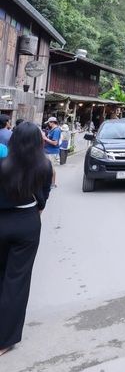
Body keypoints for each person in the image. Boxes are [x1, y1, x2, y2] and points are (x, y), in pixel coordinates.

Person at [0, 122, 53, 356]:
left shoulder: (3, 164)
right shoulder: (44, 165)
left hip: (2, 220)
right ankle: (4, 340)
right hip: (27, 221)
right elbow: (43, 199)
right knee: (17, 280)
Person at [42, 117, 61, 186]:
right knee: (48, 167)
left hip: (52, 152)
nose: (48, 124)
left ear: (52, 122)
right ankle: (49, 182)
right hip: (48, 151)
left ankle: (52, 184)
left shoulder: (56, 130)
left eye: (49, 123)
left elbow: (55, 143)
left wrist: (45, 138)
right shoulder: (52, 130)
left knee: (51, 168)